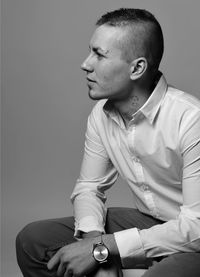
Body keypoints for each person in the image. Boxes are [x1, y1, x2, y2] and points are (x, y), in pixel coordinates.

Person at [16, 8, 200, 277]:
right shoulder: (101, 114)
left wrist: (104, 248)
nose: (85, 64)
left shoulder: (191, 119)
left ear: (137, 68)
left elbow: (196, 228)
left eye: (99, 55)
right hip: (151, 222)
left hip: (194, 237)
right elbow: (89, 188)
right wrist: (95, 243)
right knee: (33, 241)